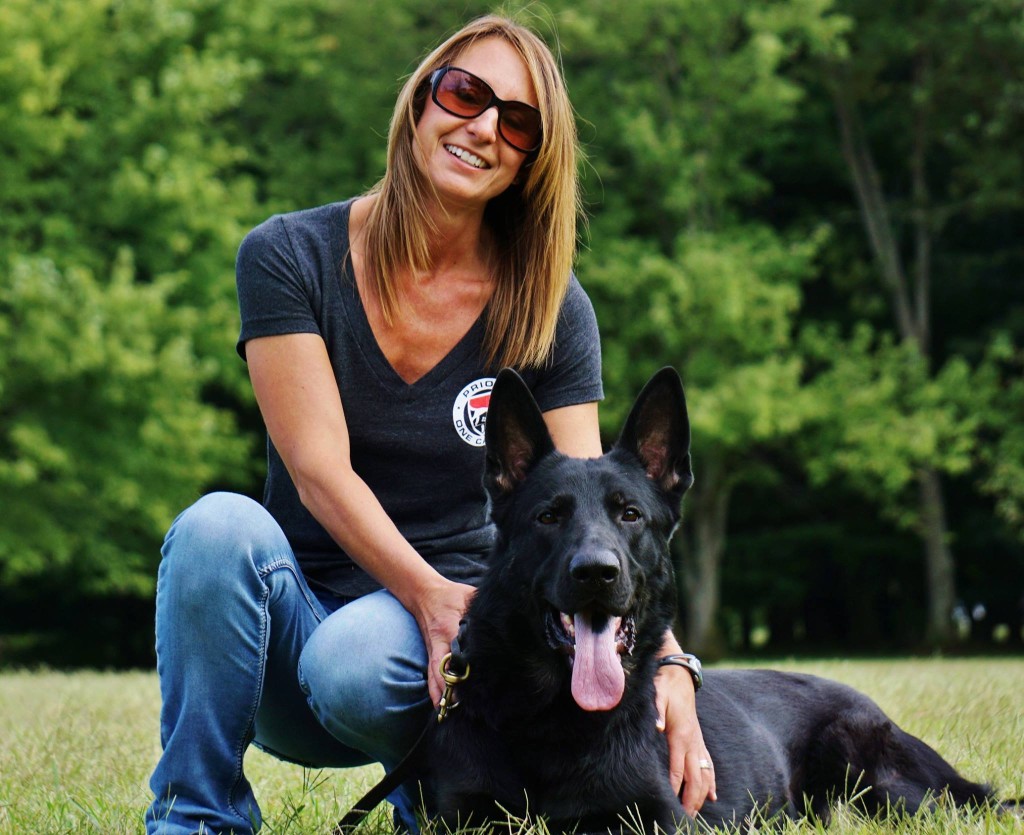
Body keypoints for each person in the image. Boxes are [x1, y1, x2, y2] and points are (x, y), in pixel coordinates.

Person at [145, 14, 715, 834]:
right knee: (212, 528)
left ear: (529, 163)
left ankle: (440, 787)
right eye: (465, 92)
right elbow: (317, 467)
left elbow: (601, 514)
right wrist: (427, 596)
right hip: (295, 622)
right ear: (422, 99)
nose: (482, 127)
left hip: (436, 664)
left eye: (516, 123)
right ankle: (196, 819)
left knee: (358, 659)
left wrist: (668, 664)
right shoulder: (286, 256)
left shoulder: (549, 306)